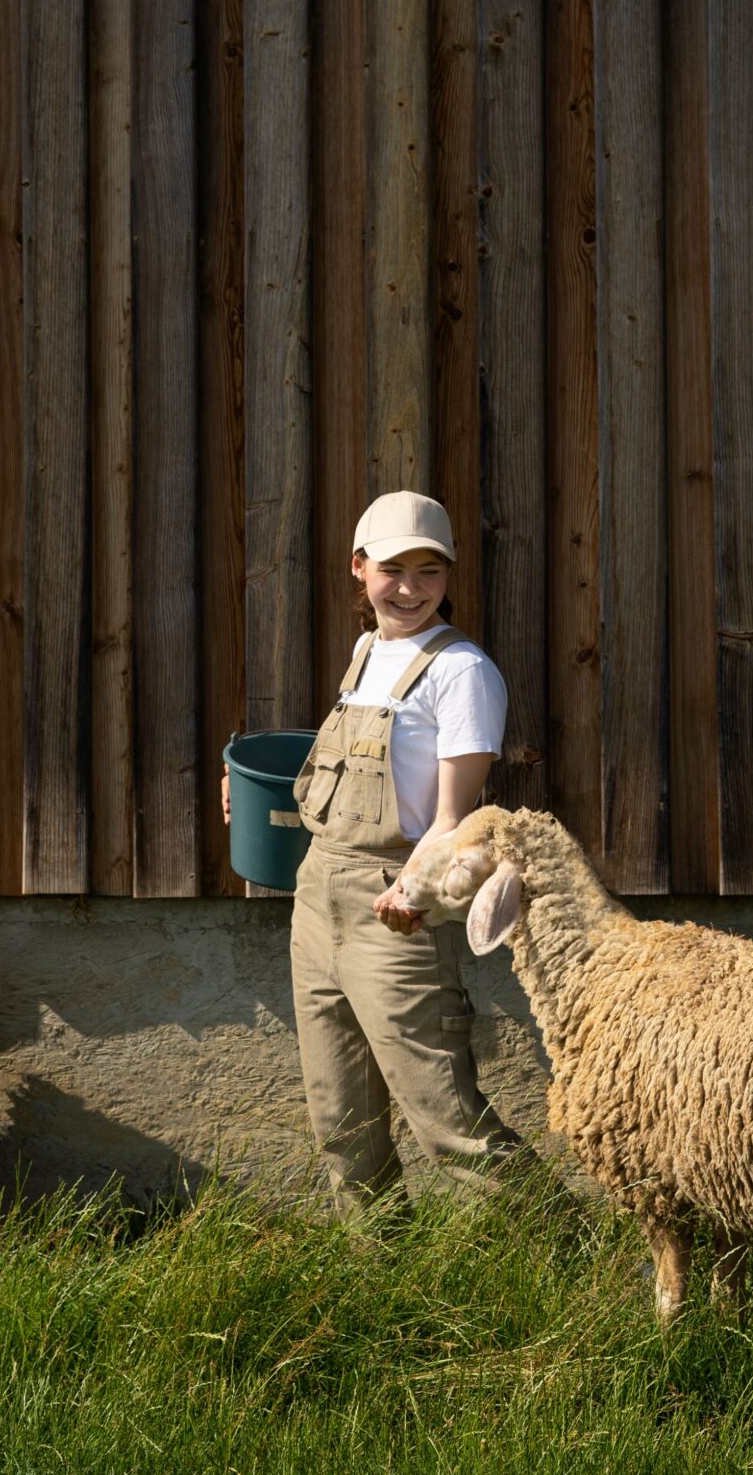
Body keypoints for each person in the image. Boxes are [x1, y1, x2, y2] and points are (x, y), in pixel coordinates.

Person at [226, 491, 532, 1208]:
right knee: (341, 1122)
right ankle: (378, 1279)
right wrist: (252, 794)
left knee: (448, 1123)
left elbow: (453, 818)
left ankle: (576, 1266)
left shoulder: (463, 672)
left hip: (395, 912)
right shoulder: (367, 654)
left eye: (430, 571)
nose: (410, 588)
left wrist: (411, 892)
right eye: (394, 569)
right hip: (317, 903)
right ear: (358, 569)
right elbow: (340, 778)